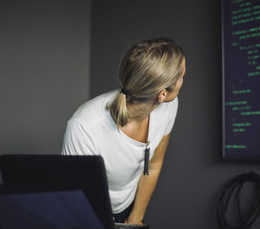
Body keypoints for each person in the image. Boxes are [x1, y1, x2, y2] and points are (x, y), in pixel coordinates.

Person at [62, 38, 186, 225]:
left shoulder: (169, 106)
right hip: (88, 211)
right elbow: (73, 192)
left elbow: (153, 165)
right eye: (182, 76)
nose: (183, 80)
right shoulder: (84, 126)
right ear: (162, 94)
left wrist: (136, 217)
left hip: (129, 208)